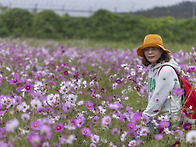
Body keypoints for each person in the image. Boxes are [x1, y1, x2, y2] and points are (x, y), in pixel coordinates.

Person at [137, 34, 182, 122]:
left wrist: (143, 119)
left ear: (161, 51)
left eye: (154, 49)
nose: (150, 52)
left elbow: (158, 99)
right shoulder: (152, 69)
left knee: (136, 135)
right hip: (157, 117)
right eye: (147, 49)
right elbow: (153, 97)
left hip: (169, 119)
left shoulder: (166, 70)